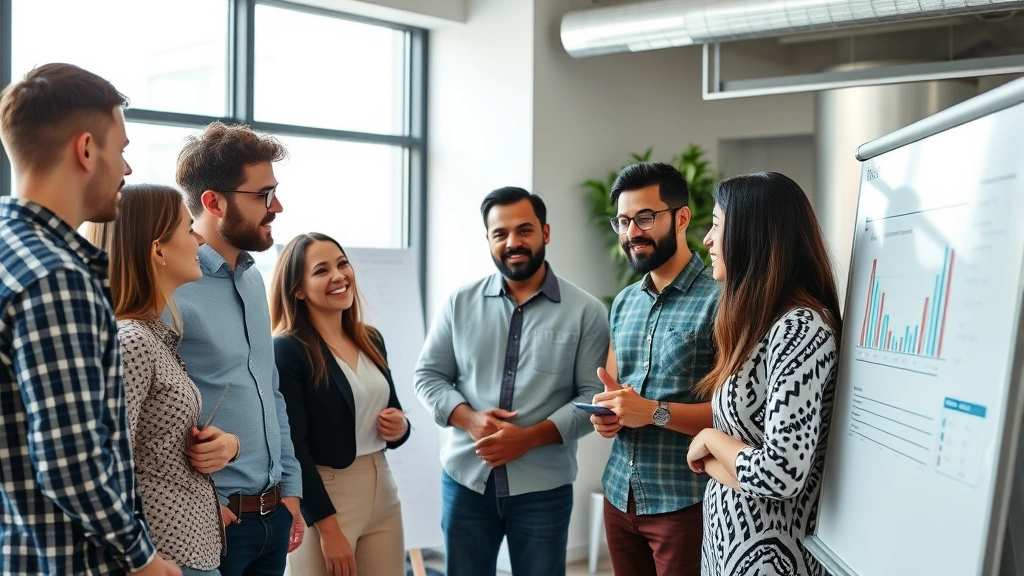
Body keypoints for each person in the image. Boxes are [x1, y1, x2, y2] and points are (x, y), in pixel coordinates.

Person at [0, 63, 179, 576]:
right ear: (85, 149)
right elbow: (69, 461)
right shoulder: (56, 278)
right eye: (121, 149)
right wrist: (143, 558)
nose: (126, 169)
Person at [415, 187, 609, 576]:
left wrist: (528, 437)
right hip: (465, 483)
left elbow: (593, 396)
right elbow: (428, 376)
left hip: (544, 490)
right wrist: (470, 419)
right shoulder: (459, 302)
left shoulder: (587, 311)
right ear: (488, 239)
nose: (512, 242)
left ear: (546, 232)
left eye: (524, 230)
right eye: (500, 233)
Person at [686, 172, 841, 576]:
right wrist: (723, 461)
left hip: (771, 561)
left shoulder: (801, 328)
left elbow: (780, 475)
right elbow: (740, 470)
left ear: (751, 236)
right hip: (729, 550)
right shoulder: (762, 325)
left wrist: (710, 438)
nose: (706, 239)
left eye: (716, 226)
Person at [172, 122, 303, 576]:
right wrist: (200, 505)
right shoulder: (171, 287)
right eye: (263, 195)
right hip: (215, 521)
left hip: (273, 516)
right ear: (213, 201)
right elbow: (150, 415)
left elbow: (270, 391)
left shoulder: (252, 278)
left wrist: (291, 489)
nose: (277, 206)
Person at [91, 184, 237, 576]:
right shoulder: (133, 341)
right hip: (166, 559)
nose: (200, 238)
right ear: (158, 250)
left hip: (188, 549)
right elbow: (108, 466)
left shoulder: (154, 335)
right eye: (189, 229)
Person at [590, 162, 720, 576]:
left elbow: (734, 415)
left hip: (684, 502)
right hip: (618, 495)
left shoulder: (722, 301)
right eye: (624, 221)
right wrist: (607, 416)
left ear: (682, 218)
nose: (632, 232)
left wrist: (652, 412)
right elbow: (618, 393)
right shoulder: (625, 301)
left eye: (645, 217)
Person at [271, 232, 411, 576]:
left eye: (342, 264)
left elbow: (393, 414)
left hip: (383, 488)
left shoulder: (370, 338)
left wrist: (400, 427)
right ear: (298, 289)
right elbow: (294, 448)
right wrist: (328, 528)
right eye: (321, 270)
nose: (338, 276)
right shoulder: (288, 350)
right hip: (326, 498)